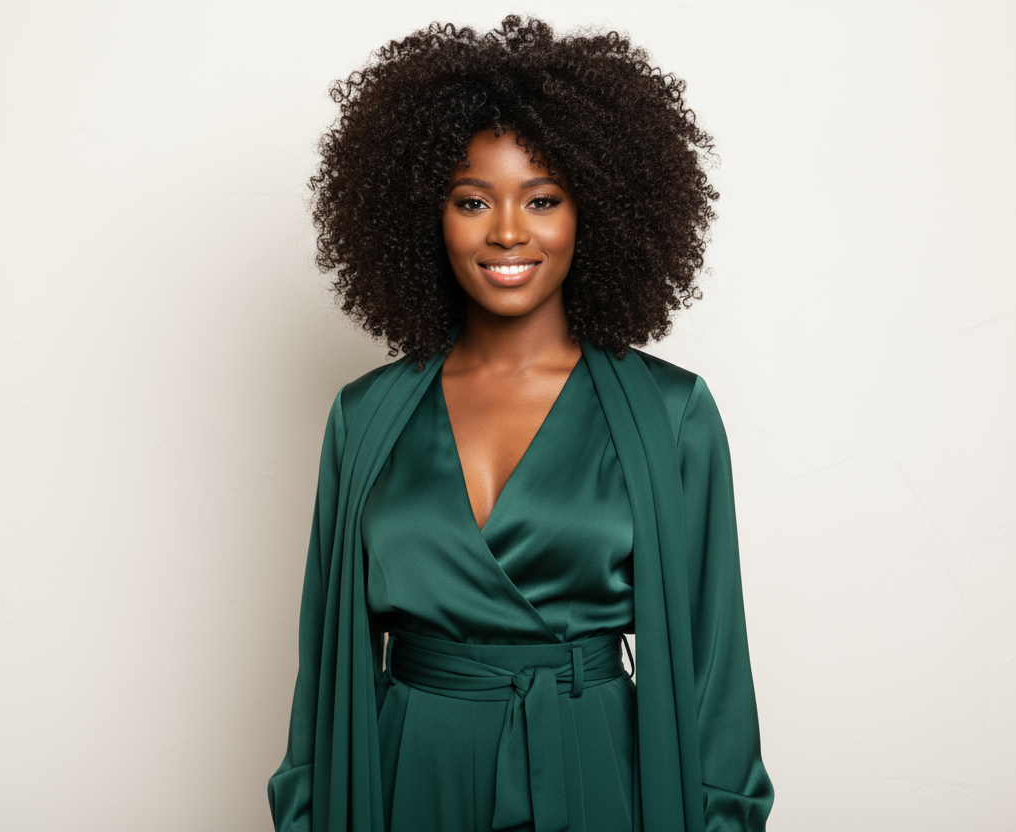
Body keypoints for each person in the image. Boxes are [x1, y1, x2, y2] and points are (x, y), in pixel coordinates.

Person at [269, 15, 773, 832]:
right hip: (411, 778)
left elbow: (716, 675)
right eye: (473, 200)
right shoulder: (363, 419)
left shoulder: (671, 416)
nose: (507, 231)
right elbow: (326, 673)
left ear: (595, 211)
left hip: (595, 768)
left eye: (542, 199)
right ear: (426, 217)